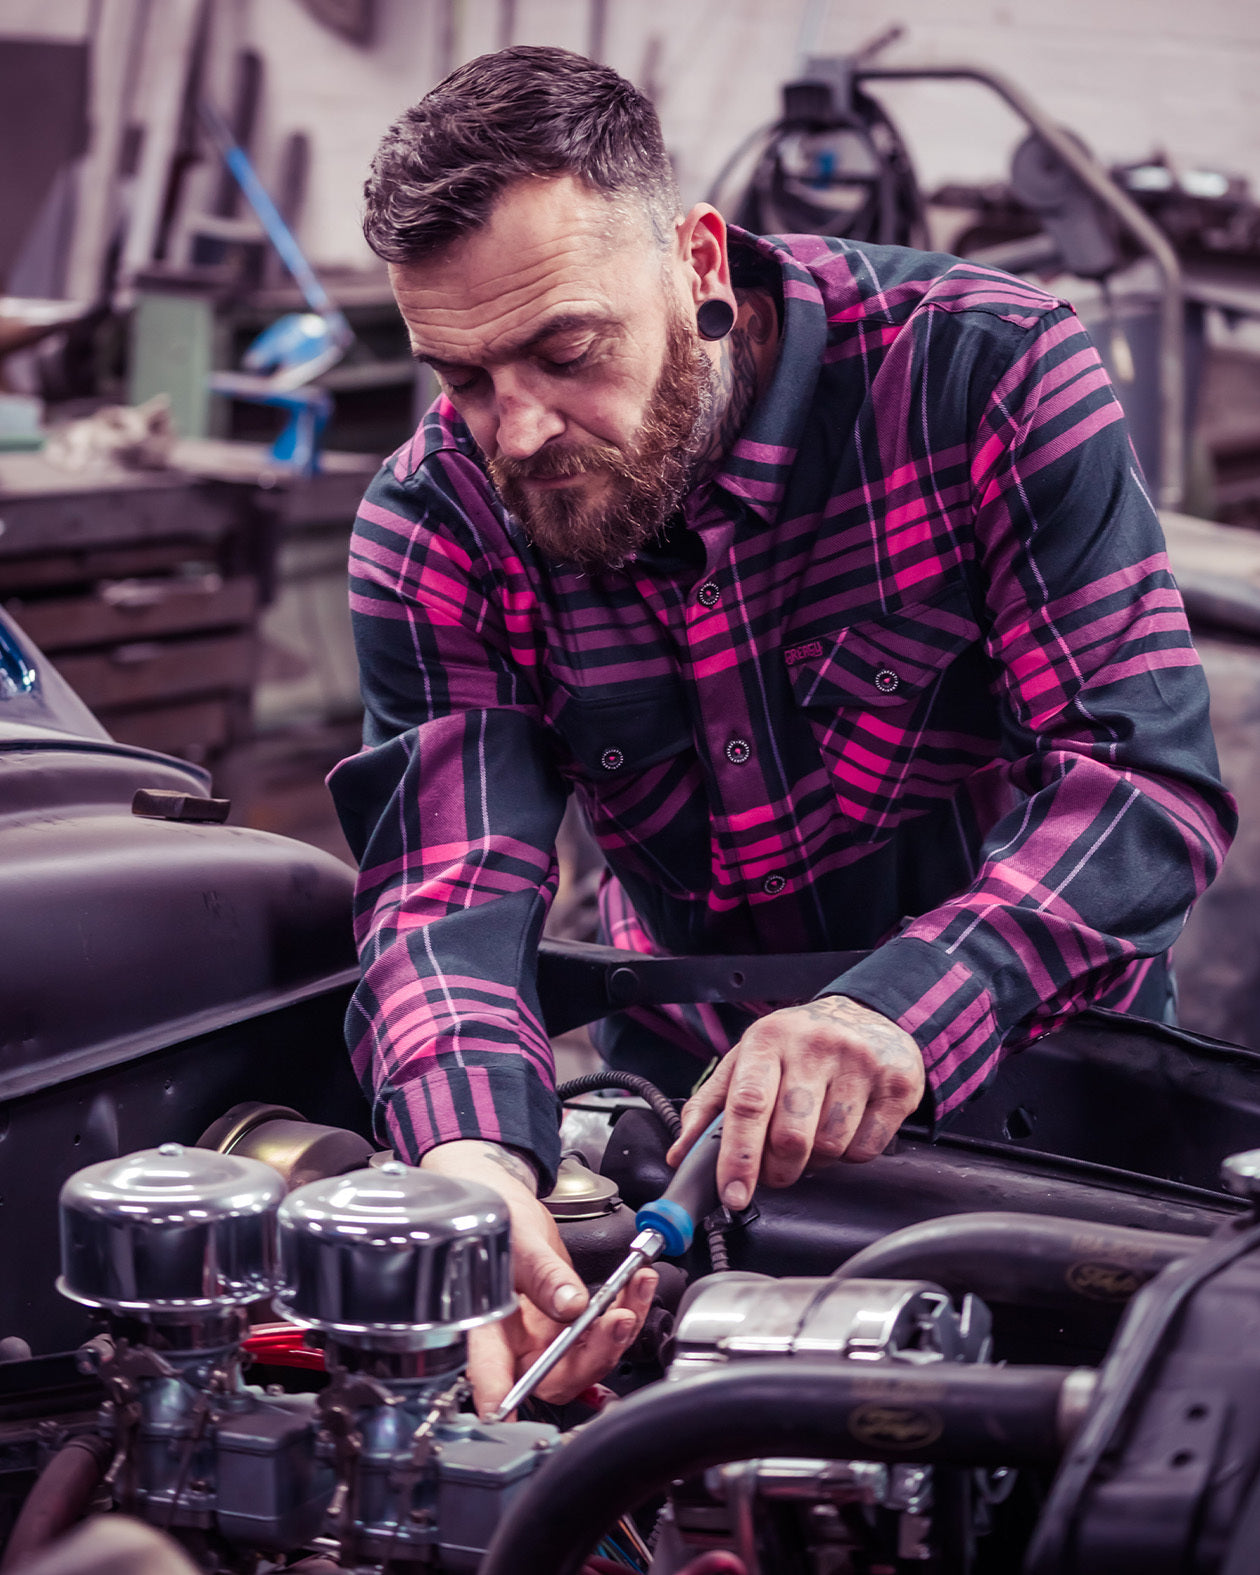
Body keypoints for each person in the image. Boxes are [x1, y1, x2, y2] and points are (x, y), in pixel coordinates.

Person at [329, 45, 1236, 1415]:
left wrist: (892, 1010)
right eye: (462, 377)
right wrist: (468, 1162)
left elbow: (1141, 785)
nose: (513, 433)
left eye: (565, 353)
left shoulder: (982, 372)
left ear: (698, 264)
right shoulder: (436, 521)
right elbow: (447, 890)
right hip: (688, 1133)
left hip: (1046, 1113)